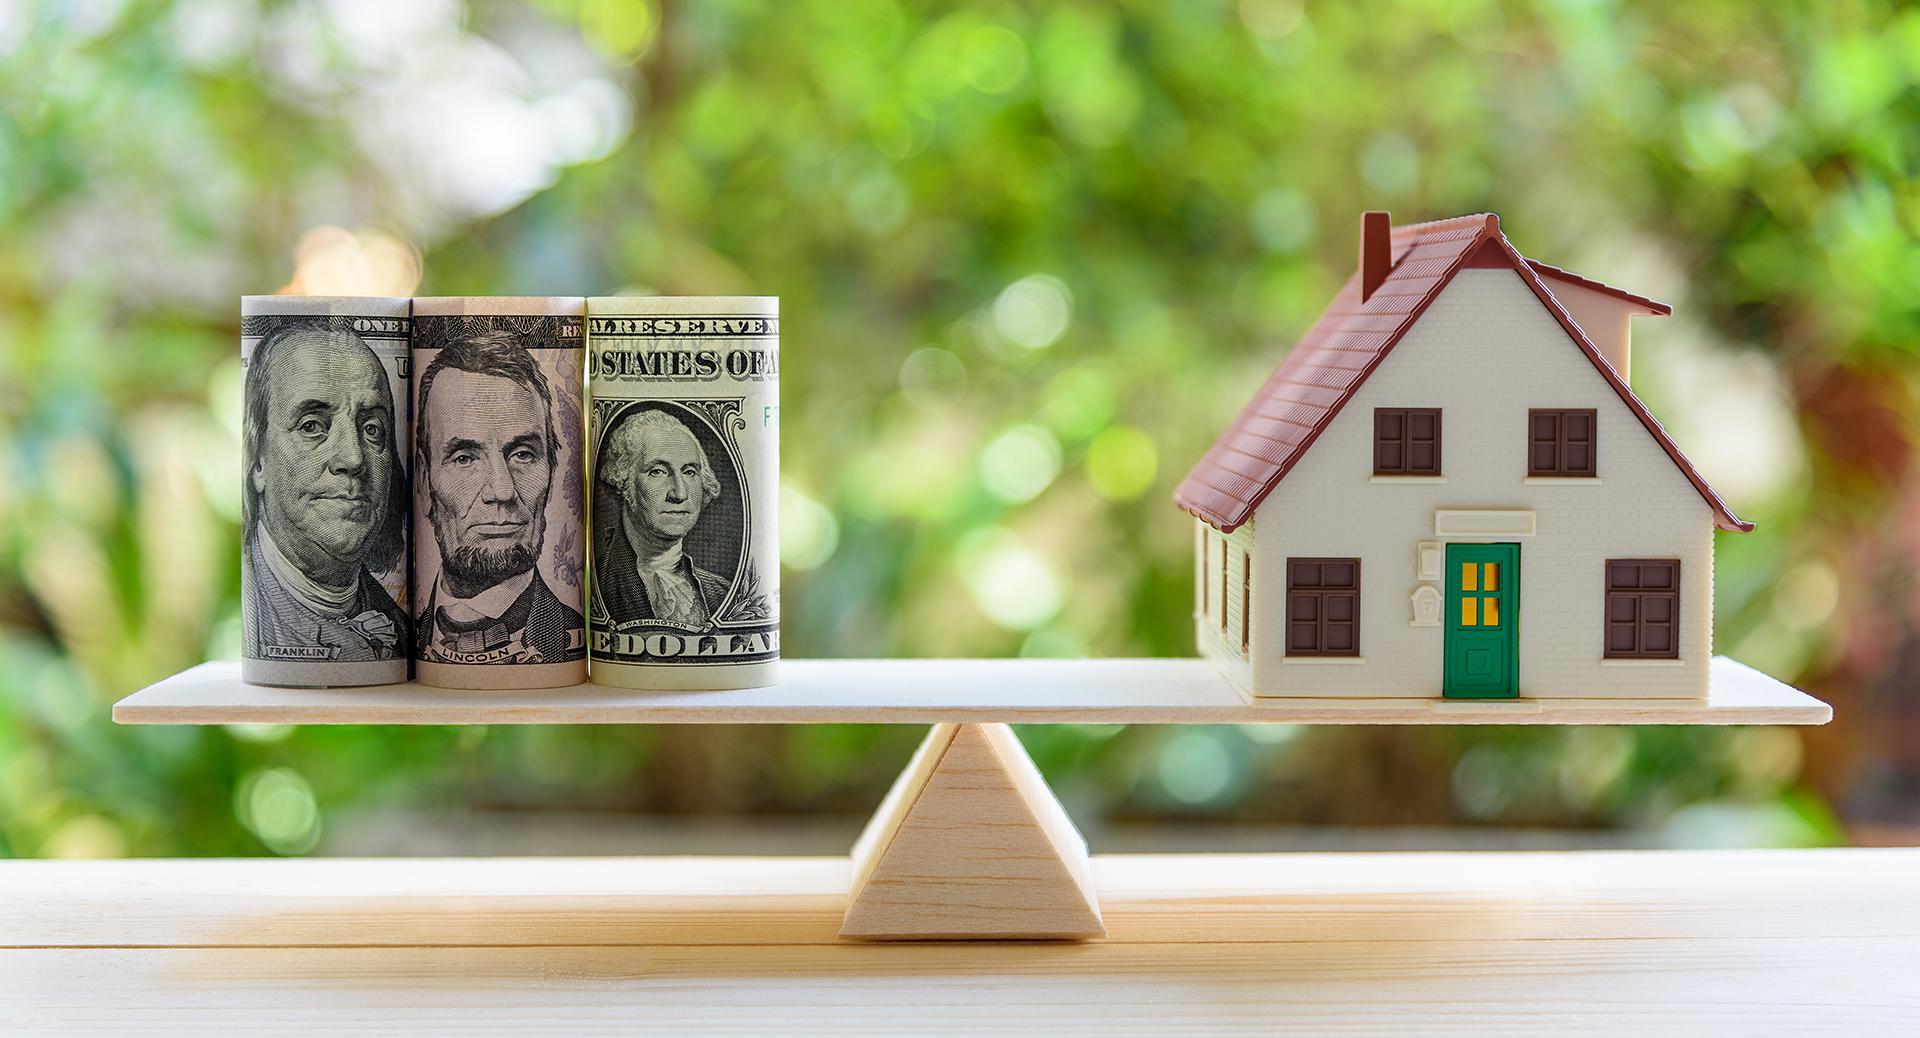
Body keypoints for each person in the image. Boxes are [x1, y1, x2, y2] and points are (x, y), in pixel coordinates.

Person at [242, 323, 409, 661]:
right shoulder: (252, 620)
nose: (353, 457)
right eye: (312, 426)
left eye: (372, 429)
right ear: (258, 461)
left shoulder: (403, 631)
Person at [415, 334, 584, 664]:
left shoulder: (571, 632)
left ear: (551, 470)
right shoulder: (396, 633)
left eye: (523, 454)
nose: (502, 491)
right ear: (425, 483)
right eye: (465, 458)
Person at [593, 407, 732, 627]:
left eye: (689, 472)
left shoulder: (721, 592)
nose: (679, 494)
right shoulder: (601, 582)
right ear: (622, 481)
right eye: (657, 471)